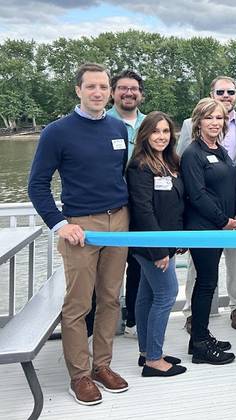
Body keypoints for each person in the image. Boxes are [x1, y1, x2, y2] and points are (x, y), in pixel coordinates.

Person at [28, 62, 130, 405]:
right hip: (81, 228)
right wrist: (61, 224)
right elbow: (37, 185)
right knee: (78, 304)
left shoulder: (117, 129)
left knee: (111, 298)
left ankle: (103, 365)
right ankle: (80, 375)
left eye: (104, 87)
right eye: (91, 87)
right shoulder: (57, 132)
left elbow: (119, 176)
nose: (98, 93)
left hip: (119, 223)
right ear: (78, 90)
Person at [177, 76, 236, 332]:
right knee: (201, 272)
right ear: (211, 94)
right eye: (220, 91)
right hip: (205, 219)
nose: (226, 95)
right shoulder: (191, 138)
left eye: (231, 91)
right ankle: (193, 313)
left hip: (233, 215)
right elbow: (186, 177)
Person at [126, 111, 186, 377]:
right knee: (166, 295)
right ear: (145, 135)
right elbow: (143, 210)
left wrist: (178, 239)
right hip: (151, 245)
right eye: (155, 131)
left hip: (165, 241)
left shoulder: (170, 161)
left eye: (165, 131)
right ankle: (154, 360)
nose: (161, 137)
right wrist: (159, 248)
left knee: (146, 296)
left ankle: (146, 351)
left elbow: (173, 205)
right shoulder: (140, 166)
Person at [181, 98, 236, 365]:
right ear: (198, 122)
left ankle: (198, 339)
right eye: (209, 118)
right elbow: (198, 194)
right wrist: (223, 221)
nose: (215, 123)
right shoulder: (193, 154)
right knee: (205, 285)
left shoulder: (219, 150)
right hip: (205, 228)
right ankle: (201, 345)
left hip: (218, 228)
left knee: (209, 282)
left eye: (219, 118)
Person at [107, 69, 147, 339]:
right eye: (123, 88)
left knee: (138, 264)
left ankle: (133, 318)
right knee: (107, 269)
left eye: (133, 88)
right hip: (113, 206)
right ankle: (105, 323)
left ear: (141, 94)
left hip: (142, 205)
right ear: (113, 93)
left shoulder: (148, 123)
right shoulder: (103, 121)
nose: (128, 93)